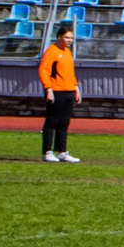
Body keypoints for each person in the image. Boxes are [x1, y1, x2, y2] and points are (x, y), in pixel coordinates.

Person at [37, 20, 81, 163]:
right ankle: (47, 152)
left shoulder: (67, 52)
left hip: (69, 91)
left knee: (64, 122)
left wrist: (76, 88)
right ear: (59, 37)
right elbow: (44, 71)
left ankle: (62, 151)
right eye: (67, 37)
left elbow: (69, 73)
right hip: (56, 90)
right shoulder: (52, 51)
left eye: (71, 38)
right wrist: (48, 89)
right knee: (52, 121)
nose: (70, 41)